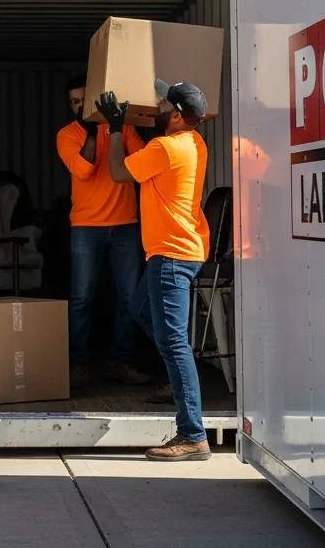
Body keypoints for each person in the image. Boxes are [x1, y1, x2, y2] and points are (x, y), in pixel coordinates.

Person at [98, 79, 212, 462]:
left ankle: (192, 435)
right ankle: (179, 375)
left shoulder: (165, 148)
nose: (157, 106)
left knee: (174, 343)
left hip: (171, 255)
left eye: (163, 103)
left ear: (176, 116)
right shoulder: (195, 142)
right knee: (142, 311)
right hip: (180, 250)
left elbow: (118, 172)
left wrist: (116, 129)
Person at [56, 75, 150, 389]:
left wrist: (116, 128)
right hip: (86, 227)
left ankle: (121, 362)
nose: (80, 106)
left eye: (85, 99)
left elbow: (143, 162)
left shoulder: (121, 128)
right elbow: (84, 170)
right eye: (74, 101)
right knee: (82, 298)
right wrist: (93, 131)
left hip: (125, 225)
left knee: (129, 298)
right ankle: (77, 364)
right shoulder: (67, 135)